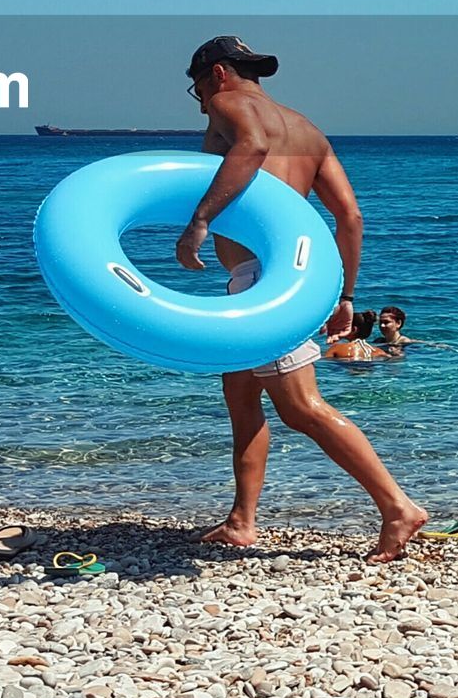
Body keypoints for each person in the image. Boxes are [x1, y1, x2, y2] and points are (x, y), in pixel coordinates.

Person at [177, 35, 425, 562]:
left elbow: (252, 147)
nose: (199, 98)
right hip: (295, 274)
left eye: (196, 84)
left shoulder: (228, 104)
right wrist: (345, 295)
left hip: (262, 280)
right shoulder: (308, 129)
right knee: (241, 396)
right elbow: (351, 218)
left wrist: (199, 220)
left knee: (301, 408)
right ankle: (243, 521)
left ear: (218, 74)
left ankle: (398, 507)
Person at [323, 309, 389, 361]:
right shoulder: (379, 352)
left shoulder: (336, 348)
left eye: (346, 326)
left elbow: (324, 361)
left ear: (354, 329)